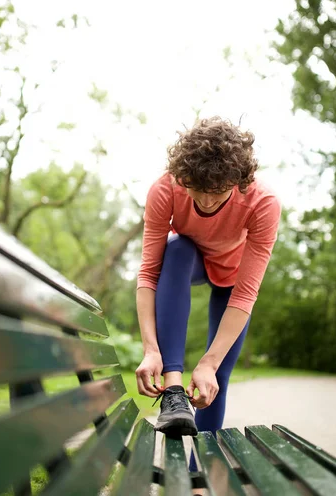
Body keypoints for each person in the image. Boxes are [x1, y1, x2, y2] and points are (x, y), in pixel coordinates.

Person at [135, 116, 281, 443]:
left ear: (238, 181)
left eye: (219, 193)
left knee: (215, 377)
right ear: (183, 177)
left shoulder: (263, 203)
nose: (207, 202)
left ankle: (198, 476)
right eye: (198, 190)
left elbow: (245, 295)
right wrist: (149, 349)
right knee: (177, 248)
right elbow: (148, 273)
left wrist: (208, 362)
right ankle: (173, 393)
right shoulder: (165, 188)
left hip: (233, 278)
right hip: (192, 260)